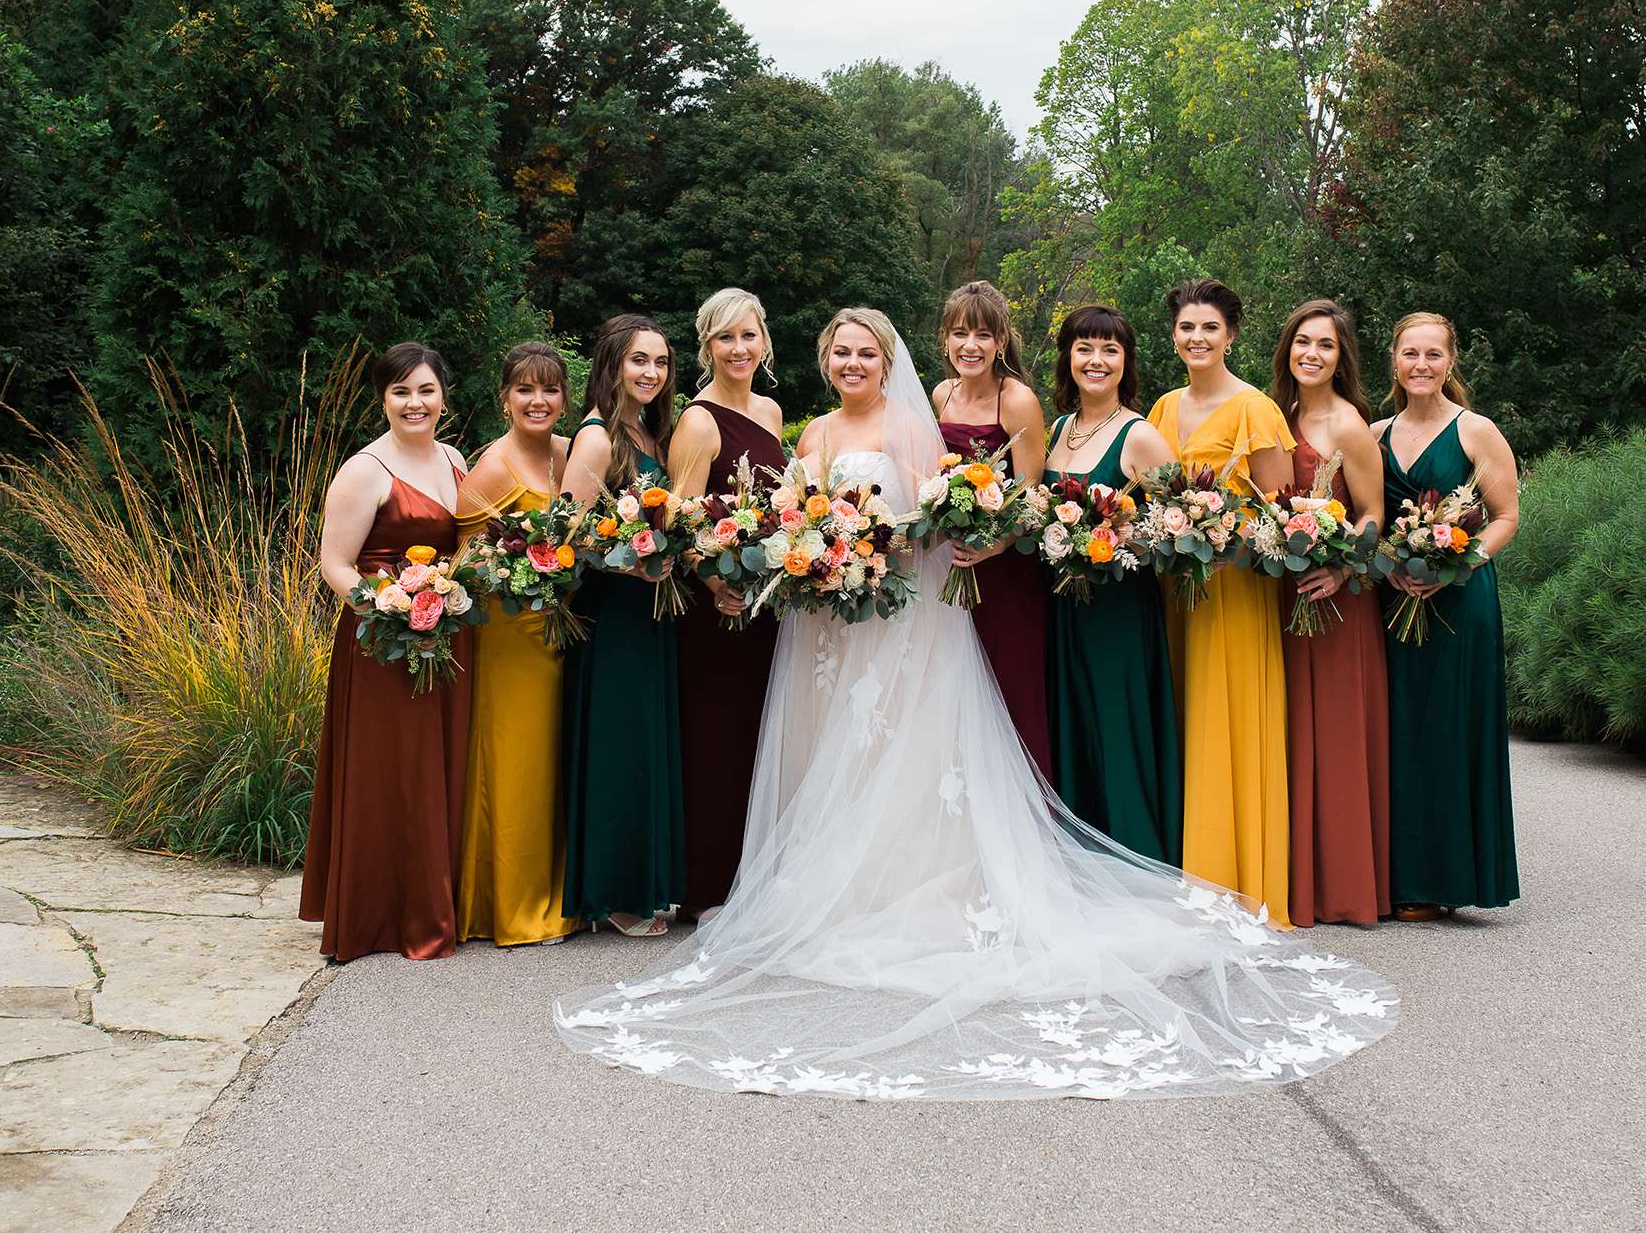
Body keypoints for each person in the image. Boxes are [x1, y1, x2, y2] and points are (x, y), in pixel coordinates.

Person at [554, 311, 1397, 1101]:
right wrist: (812, 551)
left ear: (888, 362)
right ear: (821, 361)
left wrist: (877, 547)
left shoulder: (914, 427)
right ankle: (826, 886)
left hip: (893, 618)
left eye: (866, 353)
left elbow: (931, 515)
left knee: (904, 754)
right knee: (831, 748)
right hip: (824, 625)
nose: (852, 363)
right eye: (839, 352)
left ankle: (908, 889)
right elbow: (782, 513)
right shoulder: (806, 430)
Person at [303, 342, 471, 962]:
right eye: (401, 392)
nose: (414, 403)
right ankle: (376, 915)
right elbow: (334, 564)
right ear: (384, 400)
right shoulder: (364, 471)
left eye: (425, 390)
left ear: (443, 397)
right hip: (382, 644)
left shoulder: (455, 460)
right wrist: (389, 608)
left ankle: (430, 903)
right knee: (388, 772)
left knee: (433, 769)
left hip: (445, 635)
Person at [1145, 279, 1297, 924]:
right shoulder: (1159, 408)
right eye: (1187, 328)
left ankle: (1232, 877)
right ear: (1173, 336)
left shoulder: (1256, 409)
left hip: (1232, 590)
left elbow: (1281, 513)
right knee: (1180, 713)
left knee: (1223, 718)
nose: (1197, 339)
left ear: (1231, 335)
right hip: (1169, 589)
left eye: (1210, 328)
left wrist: (1221, 537)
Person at [1374, 312, 1520, 920]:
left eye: (1433, 355)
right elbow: (1365, 518)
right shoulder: (1374, 431)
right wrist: (1390, 565)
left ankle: (1452, 880)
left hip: (1460, 601)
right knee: (1401, 731)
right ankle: (1403, 880)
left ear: (1450, 362)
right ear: (1394, 361)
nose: (1421, 366)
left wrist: (1457, 562)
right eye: (1411, 354)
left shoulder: (1475, 431)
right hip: (1395, 594)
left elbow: (1506, 516)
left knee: (1451, 728)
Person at [1042, 305, 1183, 863]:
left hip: (1119, 610)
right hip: (1063, 607)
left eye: (1110, 350)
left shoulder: (1139, 435)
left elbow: (1184, 525)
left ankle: (1134, 856)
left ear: (1126, 362)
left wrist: (1118, 542)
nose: (1096, 360)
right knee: (1073, 723)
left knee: (1116, 727)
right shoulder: (1058, 430)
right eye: (1084, 348)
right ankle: (1080, 858)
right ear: (1067, 358)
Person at [558, 315, 683, 937]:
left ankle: (644, 880)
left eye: (660, 363)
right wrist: (633, 567)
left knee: (642, 742)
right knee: (618, 746)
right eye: (639, 361)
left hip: (650, 612)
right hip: (614, 613)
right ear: (612, 363)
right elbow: (568, 537)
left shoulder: (649, 432)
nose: (651, 373)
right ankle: (613, 895)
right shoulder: (598, 439)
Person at [1269, 301, 1390, 926]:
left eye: (1325, 345)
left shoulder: (1350, 426)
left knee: (1336, 733)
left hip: (1337, 602)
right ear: (1287, 349)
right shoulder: (1276, 415)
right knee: (1290, 729)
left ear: (1342, 358)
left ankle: (1343, 885)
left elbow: (1373, 513)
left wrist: (1342, 567)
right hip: (1283, 593)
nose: (1311, 354)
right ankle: (1293, 880)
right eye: (1302, 342)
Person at [453, 342, 578, 947]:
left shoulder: (568, 453)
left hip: (563, 626)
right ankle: (515, 905)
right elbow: (465, 560)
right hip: (511, 633)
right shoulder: (494, 467)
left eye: (550, 389)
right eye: (525, 389)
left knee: (556, 760)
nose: (539, 401)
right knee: (519, 763)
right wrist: (519, 568)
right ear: (504, 398)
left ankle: (561, 891)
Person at [669, 288, 788, 921]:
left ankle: (752, 881)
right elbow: (682, 520)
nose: (738, 349)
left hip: (767, 600)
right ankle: (708, 885)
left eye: (748, 336)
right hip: (717, 606)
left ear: (764, 341)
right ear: (707, 345)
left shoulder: (770, 411)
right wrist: (716, 584)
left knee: (756, 735)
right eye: (725, 338)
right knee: (715, 737)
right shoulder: (698, 420)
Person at [930, 281, 1053, 778]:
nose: (971, 346)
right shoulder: (941, 394)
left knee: (1008, 685)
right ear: (945, 340)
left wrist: (994, 544)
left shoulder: (1017, 400)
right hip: (951, 560)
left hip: (1006, 570)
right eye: (960, 333)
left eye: (983, 334)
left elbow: (1031, 496)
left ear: (1000, 341)